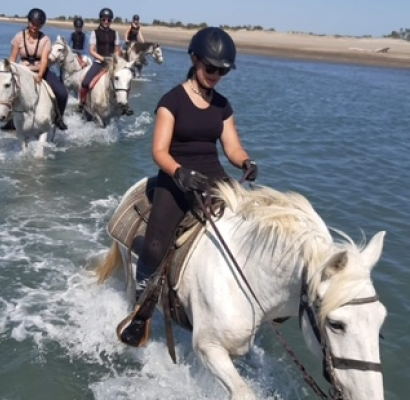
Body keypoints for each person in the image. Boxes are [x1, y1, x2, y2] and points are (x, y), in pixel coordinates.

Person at [117, 27, 259, 345]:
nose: (216, 75)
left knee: (249, 228)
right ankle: (141, 312)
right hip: (176, 177)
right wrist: (179, 173)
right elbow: (159, 151)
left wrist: (246, 162)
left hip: (214, 179)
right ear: (195, 60)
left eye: (222, 71)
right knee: (155, 247)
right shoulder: (172, 100)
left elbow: (232, 148)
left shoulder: (223, 105)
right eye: (211, 68)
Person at [7, 8, 68, 131]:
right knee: (9, 91)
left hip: (41, 70)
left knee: (62, 93)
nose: (35, 26)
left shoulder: (45, 40)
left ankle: (58, 118)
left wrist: (40, 75)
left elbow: (45, 60)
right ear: (28, 21)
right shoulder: (19, 37)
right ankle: (10, 120)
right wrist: (8, 73)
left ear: (41, 25)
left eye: (38, 24)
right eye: (32, 23)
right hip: (23, 70)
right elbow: (13, 59)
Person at [78, 7, 122, 106]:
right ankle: (82, 102)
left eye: (109, 20)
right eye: (104, 19)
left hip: (112, 63)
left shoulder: (115, 33)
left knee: (124, 81)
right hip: (99, 62)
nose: (106, 21)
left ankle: (123, 104)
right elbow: (91, 50)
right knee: (85, 83)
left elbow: (117, 49)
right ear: (101, 20)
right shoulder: (95, 33)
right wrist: (101, 58)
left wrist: (115, 58)